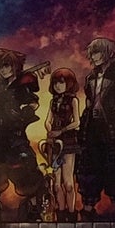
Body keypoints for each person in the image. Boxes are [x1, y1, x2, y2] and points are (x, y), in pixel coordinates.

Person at [0, 50, 44, 211]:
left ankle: (34, 205)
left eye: (7, 66)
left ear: (15, 67)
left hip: (14, 132)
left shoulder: (21, 87)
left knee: (23, 165)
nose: (4, 70)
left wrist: (27, 111)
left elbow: (33, 102)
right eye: (1, 67)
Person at [77, 37, 115, 214]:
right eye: (92, 53)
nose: (94, 57)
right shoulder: (91, 77)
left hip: (114, 130)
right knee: (89, 170)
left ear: (108, 53)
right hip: (92, 130)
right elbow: (89, 105)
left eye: (97, 52)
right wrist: (83, 131)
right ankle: (88, 210)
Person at [43, 68, 81, 219]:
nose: (58, 86)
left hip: (69, 141)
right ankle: (61, 212)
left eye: (61, 82)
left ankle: (71, 213)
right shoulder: (53, 101)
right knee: (57, 184)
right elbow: (48, 120)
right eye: (56, 83)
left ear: (69, 84)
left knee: (69, 184)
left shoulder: (73, 101)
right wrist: (50, 130)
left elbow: (76, 122)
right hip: (54, 142)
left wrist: (61, 131)